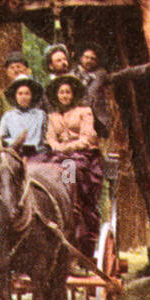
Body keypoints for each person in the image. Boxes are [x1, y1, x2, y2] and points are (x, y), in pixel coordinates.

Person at [45, 74, 104, 257]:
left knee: (69, 168)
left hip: (79, 155)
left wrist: (67, 147)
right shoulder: (52, 116)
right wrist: (56, 147)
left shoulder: (84, 111)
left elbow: (87, 138)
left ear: (73, 94)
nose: (64, 96)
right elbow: (50, 138)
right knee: (43, 171)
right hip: (57, 154)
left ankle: (71, 203)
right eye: (61, 92)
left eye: (67, 92)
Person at [73, 48, 150, 139]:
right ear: (81, 59)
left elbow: (122, 75)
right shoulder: (71, 75)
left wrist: (146, 67)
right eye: (87, 57)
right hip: (78, 120)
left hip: (98, 120)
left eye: (93, 59)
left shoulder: (100, 76)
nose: (89, 61)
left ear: (96, 62)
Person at [0, 76, 48, 159]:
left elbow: (45, 136)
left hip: (37, 154)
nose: (23, 97)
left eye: (27, 94)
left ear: (32, 96)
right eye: (20, 94)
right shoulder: (8, 116)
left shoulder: (40, 115)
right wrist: (15, 144)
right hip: (14, 154)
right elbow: (3, 137)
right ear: (15, 96)